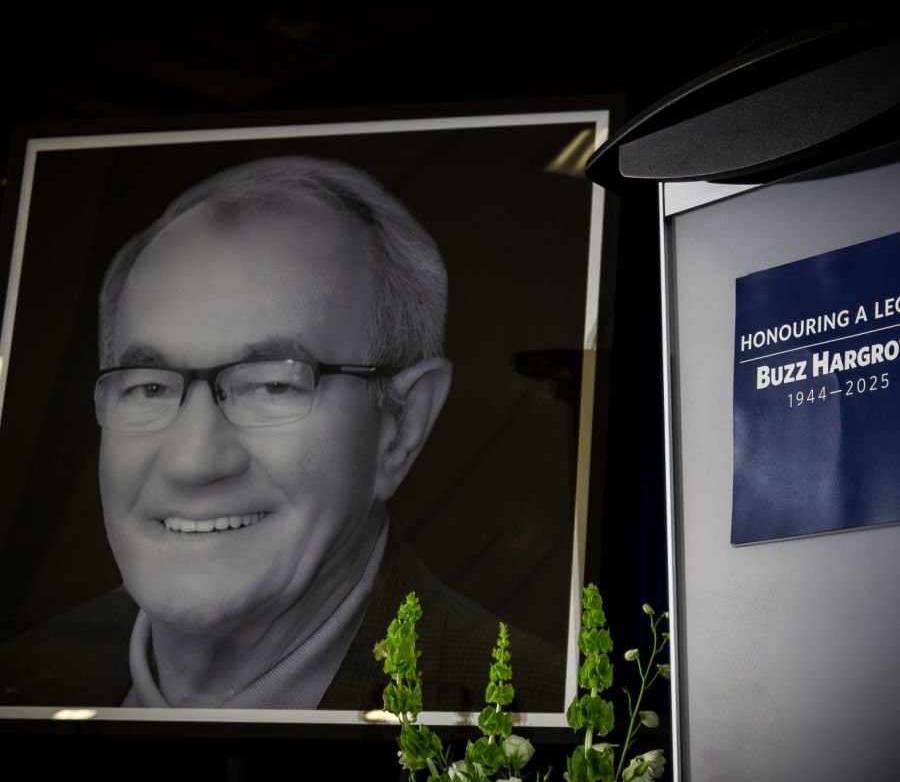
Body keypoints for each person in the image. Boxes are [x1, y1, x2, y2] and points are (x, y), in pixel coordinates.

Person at [0, 156, 564, 712]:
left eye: (272, 385)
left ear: (401, 425)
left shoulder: (538, 715)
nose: (193, 462)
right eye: (149, 388)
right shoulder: (21, 678)